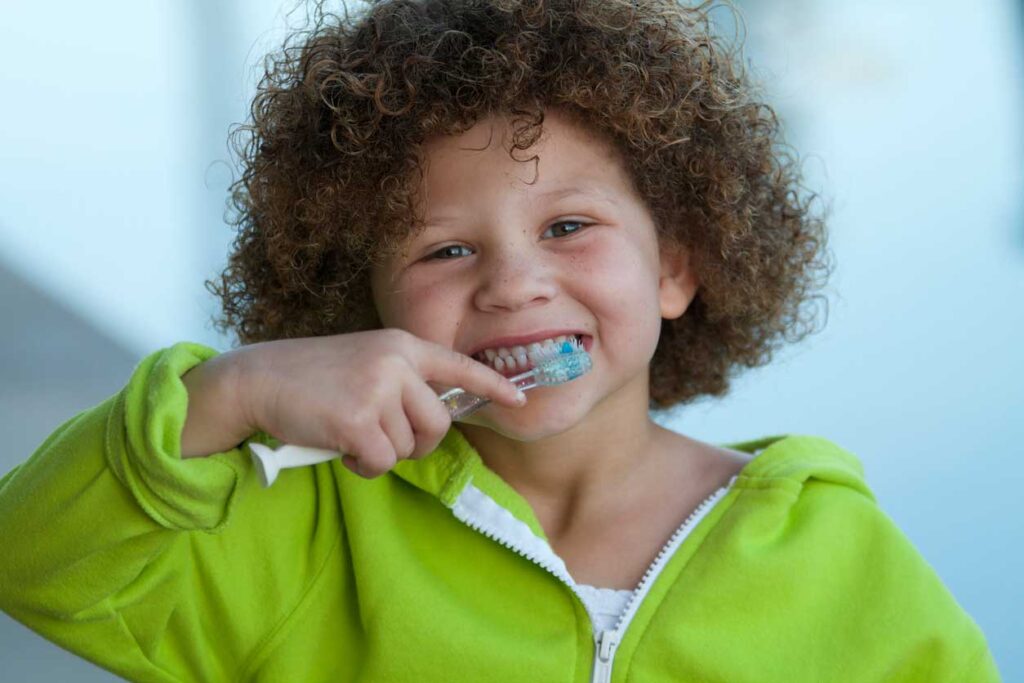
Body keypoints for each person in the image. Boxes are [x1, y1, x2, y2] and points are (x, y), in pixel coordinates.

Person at [0, 0, 1001, 681]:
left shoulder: (836, 555)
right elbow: (34, 560)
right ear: (366, 307)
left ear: (677, 267)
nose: (514, 283)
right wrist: (230, 394)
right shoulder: (309, 524)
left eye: (569, 227)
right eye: (443, 249)